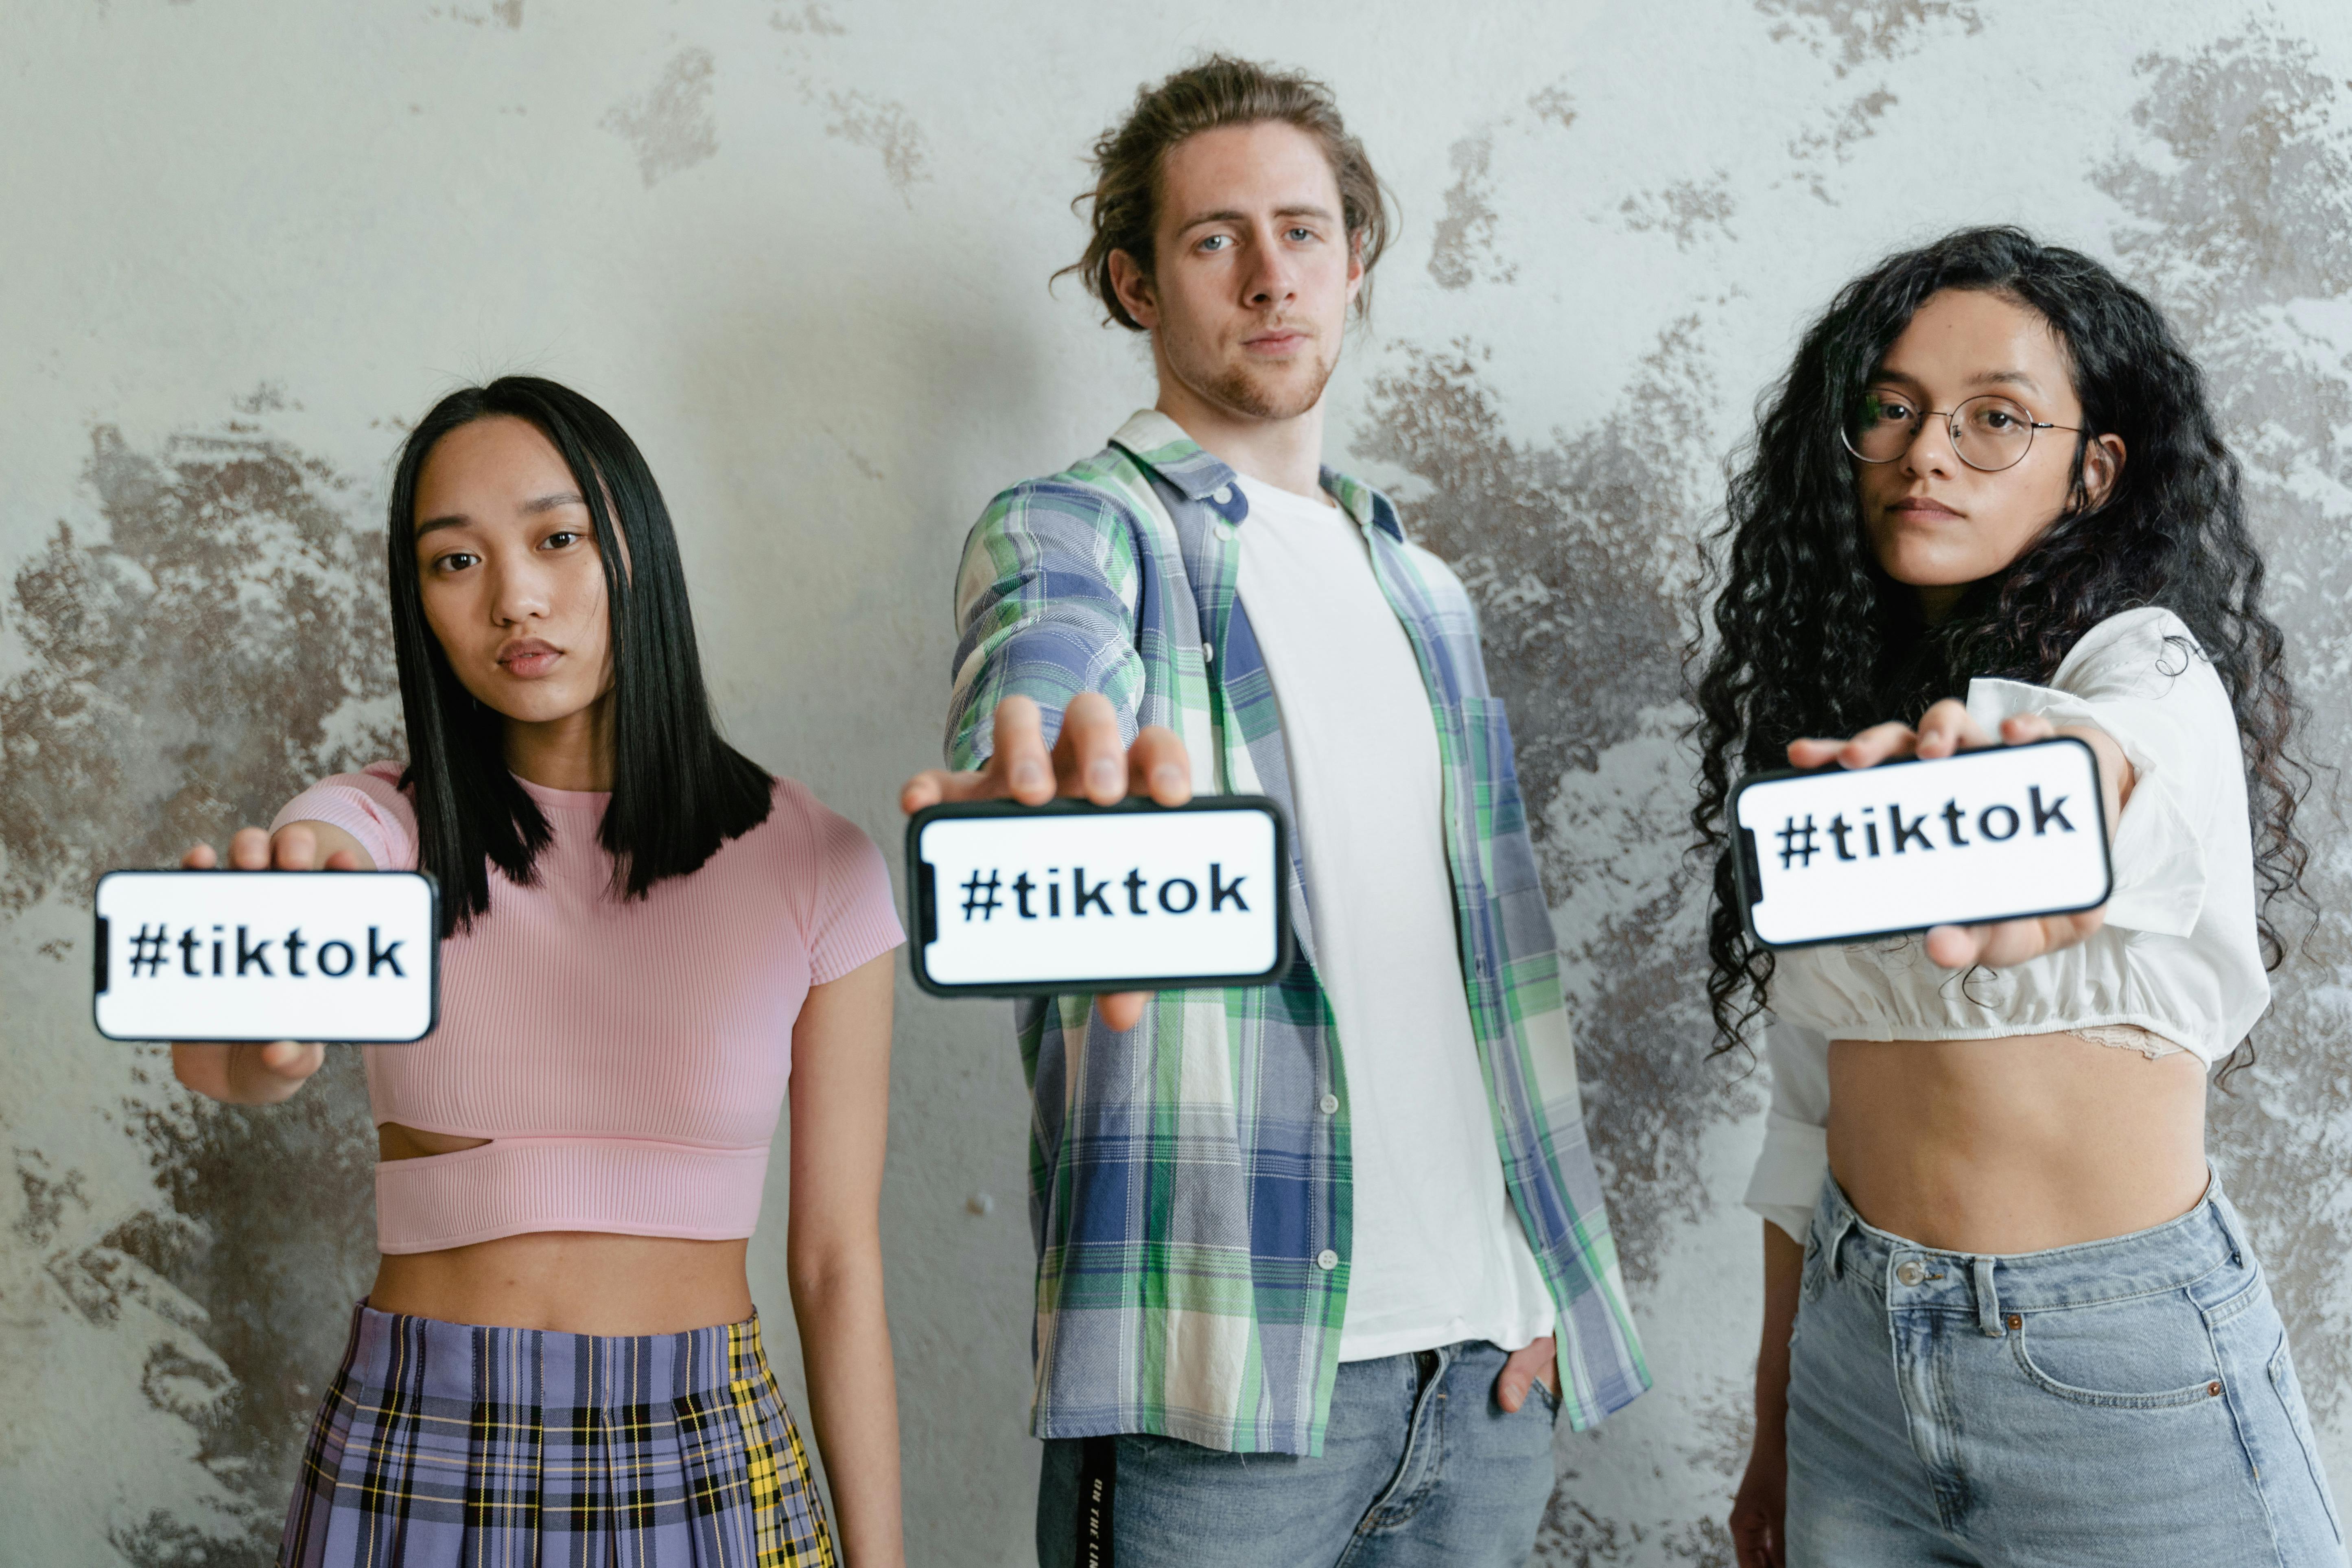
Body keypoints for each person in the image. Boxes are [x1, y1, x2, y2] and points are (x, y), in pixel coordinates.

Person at [899, 56, 1646, 1568]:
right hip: (1218, 1393)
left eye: (1303, 233)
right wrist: (1029, 777)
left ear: (1354, 260)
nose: (1267, 277)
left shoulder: (1419, 588)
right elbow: (1036, 679)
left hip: (1488, 1374)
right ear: (1133, 281)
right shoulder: (1075, 527)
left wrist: (1561, 1292)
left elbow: (1496, 977)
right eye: (1211, 239)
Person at [171, 377, 907, 1566]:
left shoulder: (819, 864)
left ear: (636, 553)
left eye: (556, 540)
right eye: (453, 563)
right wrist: (260, 1026)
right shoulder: (377, 828)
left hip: (707, 1445)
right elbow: (248, 1031)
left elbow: (834, 1262)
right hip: (420, 1443)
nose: (515, 598)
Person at [1697, 227, 2337, 1566]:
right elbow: (1805, 1125)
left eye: (1995, 419)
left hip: (2113, 1369)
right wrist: (1775, 1420)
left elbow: (2106, 771)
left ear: (2091, 468)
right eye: (1893, 410)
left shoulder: (2141, 664)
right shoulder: (1825, 743)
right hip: (1855, 1375)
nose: (1929, 452)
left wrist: (2014, 813)